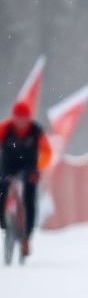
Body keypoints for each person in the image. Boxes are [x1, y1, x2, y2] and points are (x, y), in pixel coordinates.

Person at [0, 101, 53, 258]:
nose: (21, 122)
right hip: (7, 166)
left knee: (29, 199)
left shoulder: (36, 131)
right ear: (14, 117)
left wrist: (40, 167)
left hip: (29, 167)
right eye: (18, 118)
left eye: (24, 118)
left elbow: (47, 152)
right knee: (2, 190)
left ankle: (26, 236)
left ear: (28, 118)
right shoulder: (5, 128)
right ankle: (4, 223)